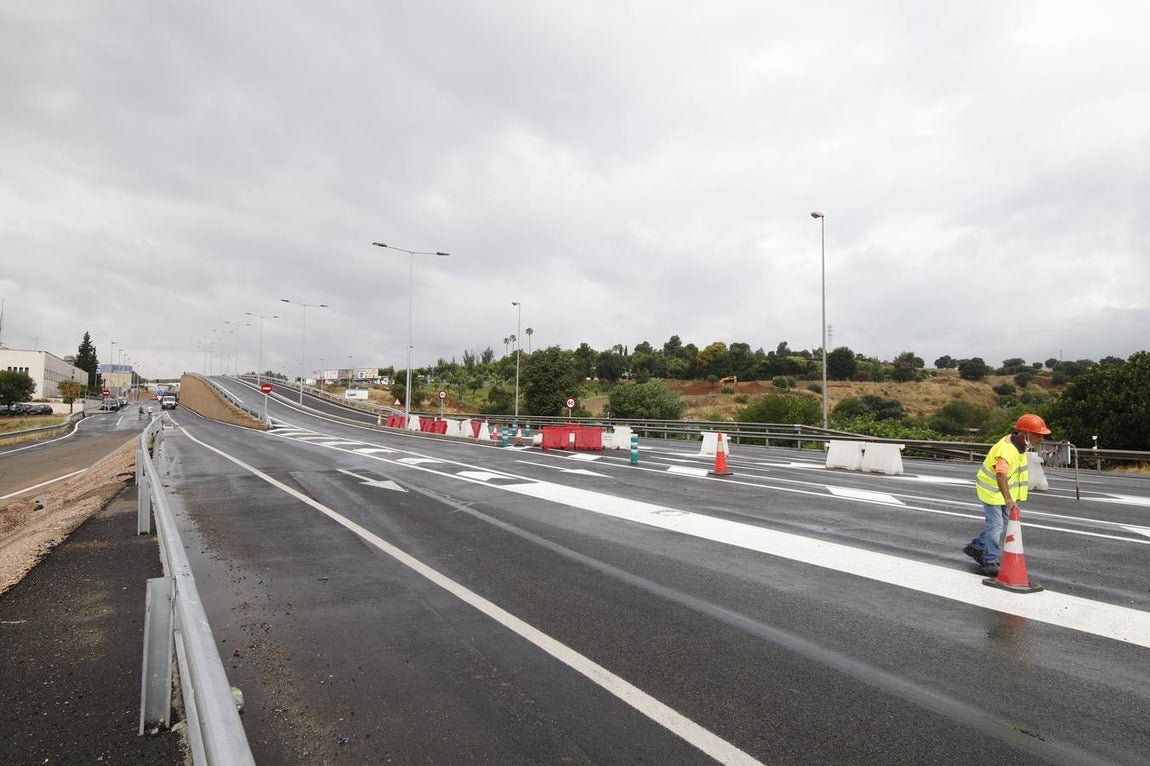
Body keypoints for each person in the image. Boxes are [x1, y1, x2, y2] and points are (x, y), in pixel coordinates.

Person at [963, 413, 1051, 575]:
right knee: (996, 525)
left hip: (1001, 491)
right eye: (1038, 435)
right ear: (1026, 433)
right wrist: (1008, 499)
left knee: (1001, 524)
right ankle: (990, 561)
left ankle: (976, 546)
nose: (1041, 439)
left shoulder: (1019, 444)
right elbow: (1001, 474)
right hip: (991, 490)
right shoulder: (1007, 450)